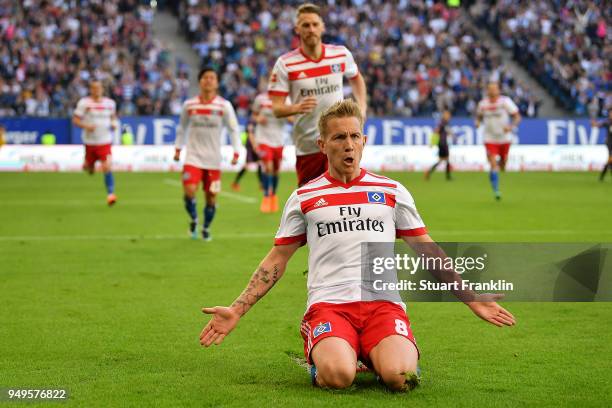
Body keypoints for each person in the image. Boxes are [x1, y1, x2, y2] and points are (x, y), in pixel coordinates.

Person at [199, 100, 516, 391]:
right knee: (339, 377)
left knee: (402, 379)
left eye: (354, 136)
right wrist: (237, 309)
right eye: (339, 138)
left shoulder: (392, 191)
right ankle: (333, 354)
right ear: (322, 145)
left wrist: (470, 296)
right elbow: (277, 258)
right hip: (330, 306)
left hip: (383, 305)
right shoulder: (304, 198)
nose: (348, 144)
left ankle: (374, 352)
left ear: (364, 141)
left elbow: (427, 249)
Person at [268, 3, 367, 187]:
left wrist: (361, 107)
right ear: (297, 29)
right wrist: (296, 108)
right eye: (305, 25)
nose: (311, 29)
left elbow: (357, 79)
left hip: (339, 142)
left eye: (314, 24)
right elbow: (276, 108)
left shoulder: (340, 54)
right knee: (310, 204)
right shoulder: (285, 64)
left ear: (322, 27)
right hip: (309, 145)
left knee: (346, 197)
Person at [174, 67, 241, 241]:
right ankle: (194, 219)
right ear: (200, 81)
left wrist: (236, 151)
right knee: (189, 190)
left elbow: (233, 129)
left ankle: (205, 227)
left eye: (212, 77)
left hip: (213, 160)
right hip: (193, 157)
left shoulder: (224, 105)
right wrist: (178, 148)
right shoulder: (189, 105)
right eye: (205, 77)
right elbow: (182, 127)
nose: (209, 80)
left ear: (217, 82)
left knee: (211, 198)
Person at [72, 80, 119, 206]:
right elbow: (75, 120)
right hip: (90, 142)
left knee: (107, 166)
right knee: (88, 168)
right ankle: (89, 165)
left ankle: (111, 194)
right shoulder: (84, 103)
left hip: (105, 141)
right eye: (94, 88)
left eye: (98, 88)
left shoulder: (110, 103)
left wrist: (114, 125)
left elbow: (113, 118)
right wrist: (86, 126)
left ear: (102, 89)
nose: (96, 90)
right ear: (90, 89)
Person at [475, 82, 521, 200]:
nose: (492, 91)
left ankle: (494, 172)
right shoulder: (482, 104)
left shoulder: (505, 102)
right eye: (490, 89)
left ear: (498, 90)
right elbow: (479, 116)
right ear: (487, 91)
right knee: (493, 164)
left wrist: (511, 127)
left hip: (504, 138)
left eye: (494, 89)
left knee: (503, 165)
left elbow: (517, 116)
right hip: (489, 138)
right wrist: (478, 122)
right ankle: (496, 190)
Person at [252, 89, 288, 213]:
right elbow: (254, 114)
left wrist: (289, 116)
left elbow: (292, 118)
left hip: (278, 140)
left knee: (276, 170)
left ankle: (274, 196)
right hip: (263, 138)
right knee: (268, 167)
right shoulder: (260, 99)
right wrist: (258, 119)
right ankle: (266, 196)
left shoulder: (286, 99)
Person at [231, 121, 262, 192]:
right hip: (251, 145)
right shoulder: (251, 122)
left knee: (259, 163)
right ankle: (235, 183)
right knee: (248, 165)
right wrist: (254, 146)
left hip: (255, 144)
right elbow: (250, 134)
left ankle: (261, 184)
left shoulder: (256, 121)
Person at [425, 109, 453, 181]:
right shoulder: (443, 123)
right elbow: (436, 131)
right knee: (445, 160)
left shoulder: (445, 123)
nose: (449, 116)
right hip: (442, 143)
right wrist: (432, 142)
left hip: (443, 143)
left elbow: (444, 131)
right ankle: (447, 177)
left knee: (444, 160)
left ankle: (429, 172)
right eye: (448, 115)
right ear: (444, 115)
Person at [591, 109, 612, 181]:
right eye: (610, 113)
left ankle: (601, 177)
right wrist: (593, 123)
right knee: (610, 159)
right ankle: (601, 177)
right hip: (610, 144)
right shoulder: (607, 122)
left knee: (610, 161)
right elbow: (596, 125)